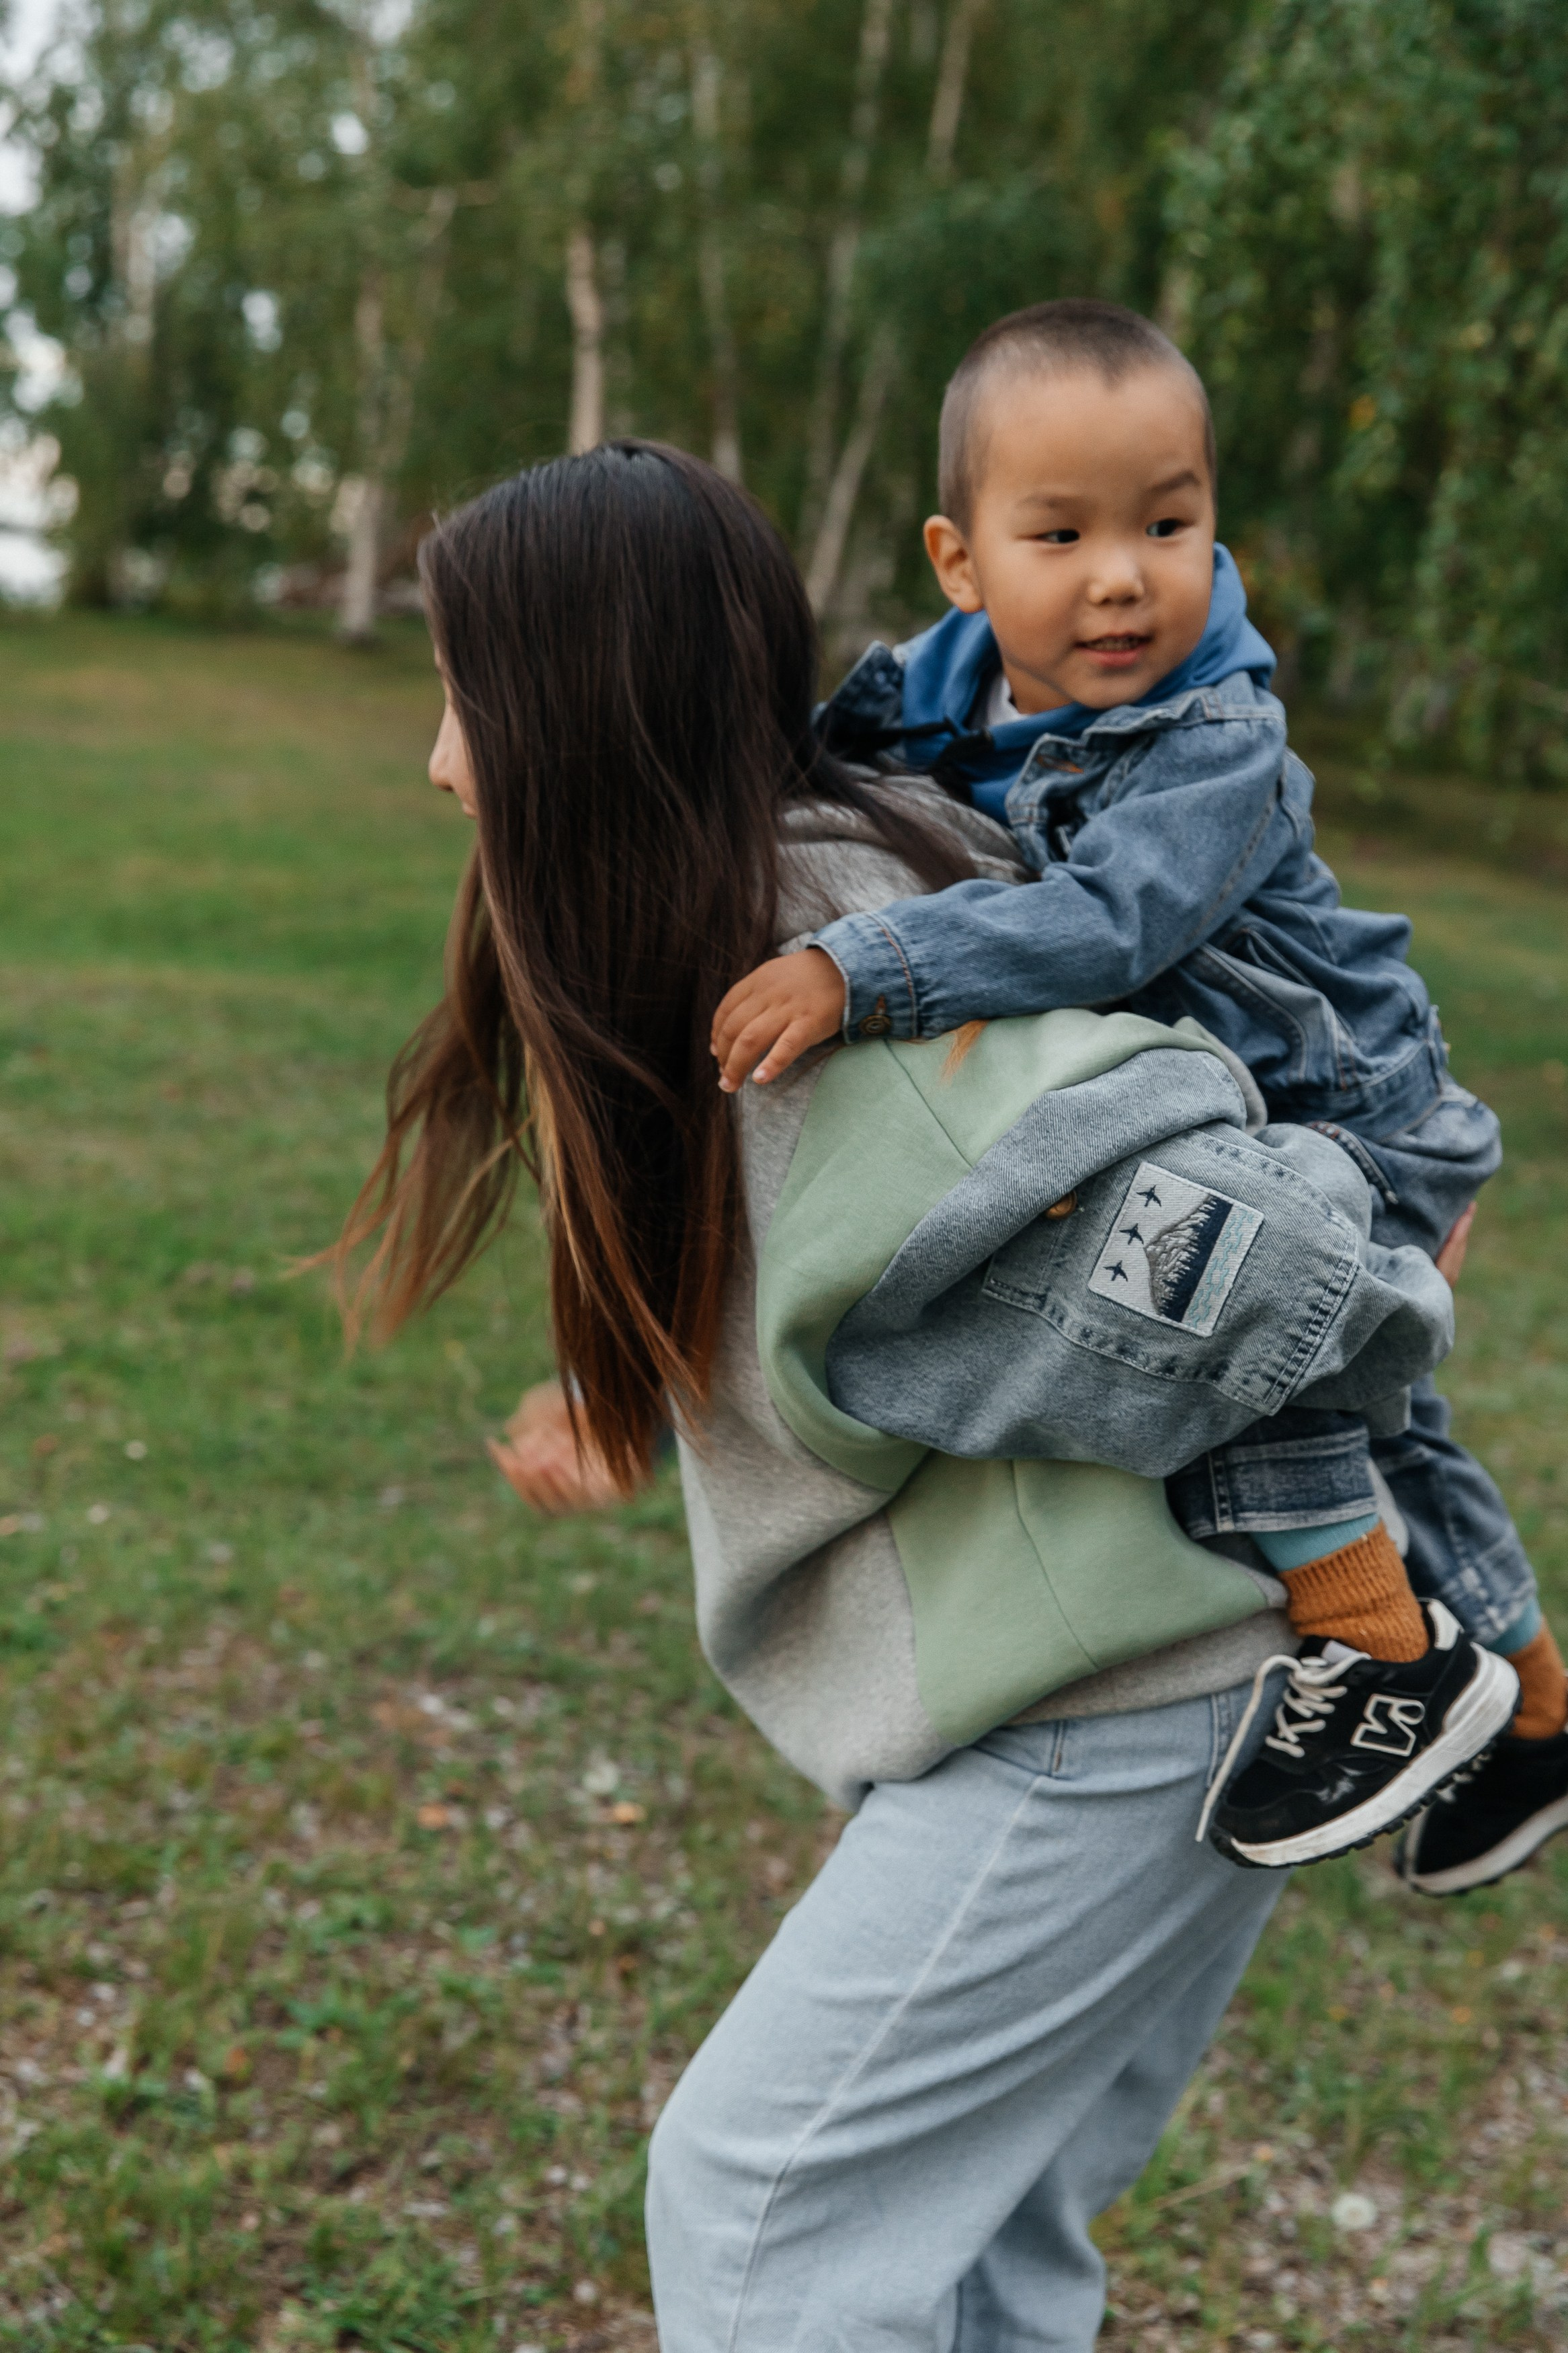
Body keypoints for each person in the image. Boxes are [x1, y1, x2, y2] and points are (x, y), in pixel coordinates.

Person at [335, 442, 1502, 2346]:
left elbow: (1211, 1236)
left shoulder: (811, 985)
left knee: (760, 2211)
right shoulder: (778, 909)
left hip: (1109, 1705)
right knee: (973, 2257)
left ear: (568, 713)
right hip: (1140, 1686)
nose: (441, 761)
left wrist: (1363, 1258)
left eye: (460, 698)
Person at [710, 298, 1568, 1896]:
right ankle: (1541, 1713)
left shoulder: (1215, 733)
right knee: (1394, 1404)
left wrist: (865, 967)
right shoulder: (931, 684)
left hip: (1345, 1107)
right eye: (1066, 532)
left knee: (1233, 1326)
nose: (1124, 573)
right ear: (961, 561)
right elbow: (812, 771)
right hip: (1277, 1099)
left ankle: (1380, 1648)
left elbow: (1113, 922)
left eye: (1170, 523)